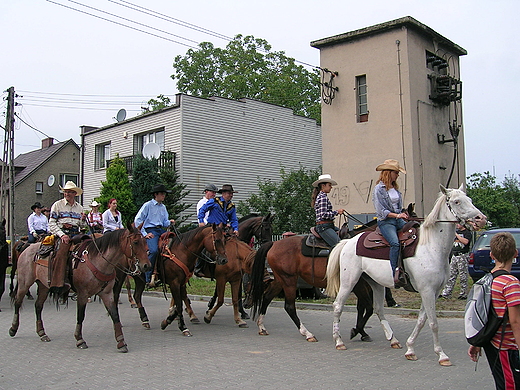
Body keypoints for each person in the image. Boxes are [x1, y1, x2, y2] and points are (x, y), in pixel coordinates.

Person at [468, 232, 520, 389]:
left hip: (493, 345)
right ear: (515, 253)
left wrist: (478, 341)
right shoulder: (511, 283)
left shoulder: (487, 280)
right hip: (507, 347)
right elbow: (515, 320)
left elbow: (484, 314)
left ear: (491, 255)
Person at [372, 159, 408, 288]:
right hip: (386, 222)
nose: (397, 175)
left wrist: (402, 214)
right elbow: (381, 211)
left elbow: (397, 206)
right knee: (394, 242)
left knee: (415, 232)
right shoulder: (379, 189)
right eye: (396, 173)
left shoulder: (395, 189)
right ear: (389, 173)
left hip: (398, 219)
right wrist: (398, 215)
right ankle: (395, 273)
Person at [48, 181, 87, 293]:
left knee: (90, 247)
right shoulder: (57, 205)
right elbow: (51, 223)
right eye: (65, 192)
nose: (67, 194)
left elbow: (82, 225)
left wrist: (83, 220)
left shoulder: (79, 208)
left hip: (76, 234)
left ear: (75, 193)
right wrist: (62, 235)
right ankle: (58, 283)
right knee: (62, 252)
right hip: (62, 234)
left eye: (69, 192)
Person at [134, 184, 175, 284]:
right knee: (154, 250)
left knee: (174, 242)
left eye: (164, 194)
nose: (164, 196)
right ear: (156, 195)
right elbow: (138, 220)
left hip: (160, 230)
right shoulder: (148, 205)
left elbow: (164, 222)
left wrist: (170, 222)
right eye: (162, 194)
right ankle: (147, 277)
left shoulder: (163, 207)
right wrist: (144, 234)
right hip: (150, 230)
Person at [310, 174, 345, 247]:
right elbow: (323, 214)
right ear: (323, 186)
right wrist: (337, 212)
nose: (331, 187)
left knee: (345, 236)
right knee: (339, 245)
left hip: (328, 225)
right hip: (324, 227)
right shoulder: (323, 197)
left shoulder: (321, 196)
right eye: (329, 185)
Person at [441, 224, 472, 300]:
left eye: (459, 223)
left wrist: (457, 235)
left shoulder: (467, 233)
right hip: (454, 255)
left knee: (463, 276)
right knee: (451, 274)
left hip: (462, 255)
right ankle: (446, 292)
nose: (457, 225)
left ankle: (463, 293)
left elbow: (466, 242)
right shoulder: (456, 232)